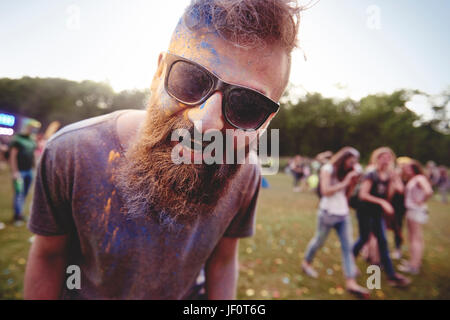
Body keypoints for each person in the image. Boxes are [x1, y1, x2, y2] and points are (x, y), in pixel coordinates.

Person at [24, 0, 302, 299]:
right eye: (191, 80)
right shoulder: (71, 153)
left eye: (246, 105)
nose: (205, 122)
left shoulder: (245, 174)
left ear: (265, 121)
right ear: (159, 74)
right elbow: (49, 256)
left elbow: (222, 261)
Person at [301, 147, 369, 298]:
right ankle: (306, 263)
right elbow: (325, 191)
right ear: (343, 158)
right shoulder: (328, 168)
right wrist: (346, 181)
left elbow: (347, 195)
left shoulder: (353, 169)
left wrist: (353, 182)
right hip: (327, 213)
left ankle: (350, 281)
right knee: (319, 241)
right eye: (351, 161)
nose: (353, 164)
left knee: (347, 247)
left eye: (355, 161)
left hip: (343, 214)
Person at [352, 147, 410, 287]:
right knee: (364, 238)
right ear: (377, 158)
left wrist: (395, 178)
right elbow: (363, 195)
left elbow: (398, 192)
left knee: (383, 242)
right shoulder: (371, 174)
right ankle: (349, 262)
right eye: (383, 156)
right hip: (365, 212)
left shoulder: (389, 175)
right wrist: (382, 202)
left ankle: (391, 275)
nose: (386, 159)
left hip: (377, 213)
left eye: (389, 157)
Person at [398, 161, 433, 275]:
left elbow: (428, 191)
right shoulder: (413, 179)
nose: (405, 170)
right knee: (412, 237)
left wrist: (421, 201)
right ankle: (414, 261)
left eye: (408, 168)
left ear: (414, 168)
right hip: (412, 210)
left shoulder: (419, 178)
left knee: (415, 238)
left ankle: (414, 266)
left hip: (415, 211)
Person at [8, 122, 37, 226]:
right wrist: (15, 171)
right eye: (31, 128)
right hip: (20, 171)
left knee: (25, 193)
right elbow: (13, 156)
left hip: (29, 171)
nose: (32, 130)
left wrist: (35, 168)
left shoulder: (32, 140)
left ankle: (21, 213)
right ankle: (17, 216)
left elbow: (33, 155)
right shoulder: (17, 139)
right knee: (19, 194)